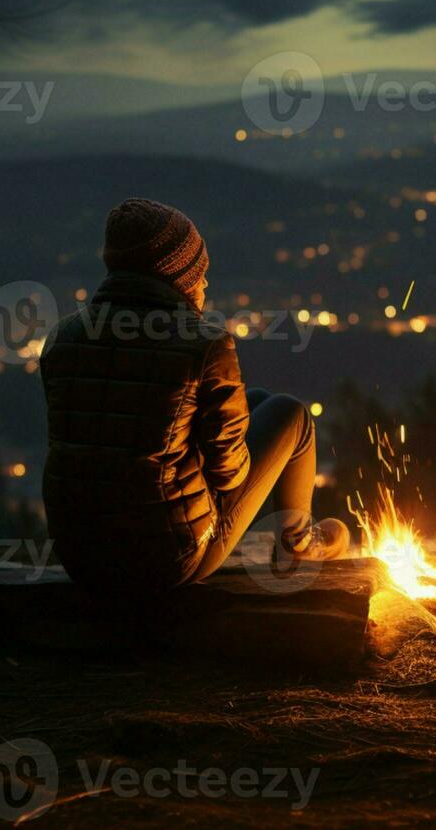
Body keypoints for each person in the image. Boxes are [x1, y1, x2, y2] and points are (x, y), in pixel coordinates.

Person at [40, 198, 349, 593]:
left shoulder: (62, 338)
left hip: (80, 554)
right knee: (291, 416)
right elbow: (229, 474)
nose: (204, 284)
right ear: (178, 273)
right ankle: (300, 545)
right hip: (167, 558)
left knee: (256, 401)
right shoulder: (203, 344)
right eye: (200, 274)